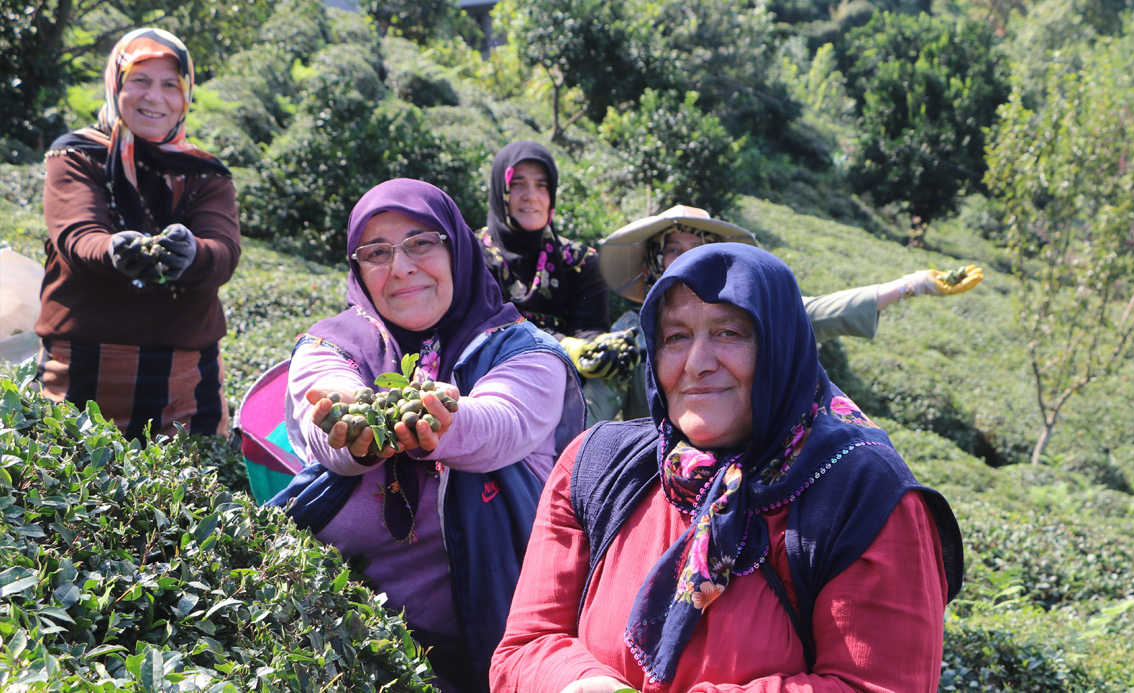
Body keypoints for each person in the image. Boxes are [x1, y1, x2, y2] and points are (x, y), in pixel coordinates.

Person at [491, 243, 964, 692]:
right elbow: (525, 649)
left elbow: (876, 684)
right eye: (676, 336)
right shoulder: (595, 465)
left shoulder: (863, 493)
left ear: (780, 346)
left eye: (729, 333)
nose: (697, 364)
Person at [273, 179, 585, 693]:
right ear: (358, 270)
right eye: (377, 252)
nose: (400, 267)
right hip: (339, 637)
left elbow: (501, 422)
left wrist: (441, 423)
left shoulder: (526, 351)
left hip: (488, 639)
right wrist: (353, 428)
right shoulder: (330, 343)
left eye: (421, 243)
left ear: (457, 247)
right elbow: (325, 407)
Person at [34, 28, 240, 440]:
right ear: (116, 84)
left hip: (183, 378)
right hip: (80, 365)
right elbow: (76, 232)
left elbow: (223, 249)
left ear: (186, 96)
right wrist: (113, 251)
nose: (154, 97)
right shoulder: (75, 154)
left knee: (189, 492)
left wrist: (192, 254)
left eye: (170, 85)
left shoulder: (204, 172)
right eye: (140, 81)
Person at [599, 205, 985, 420]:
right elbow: (596, 406)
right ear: (654, 261)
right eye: (673, 250)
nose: (685, 260)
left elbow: (819, 312)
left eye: (697, 248)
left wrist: (911, 284)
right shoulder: (630, 333)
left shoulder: (748, 315)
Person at [477, 140, 637, 423]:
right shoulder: (472, 254)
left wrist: (599, 349)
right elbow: (485, 328)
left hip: (561, 391)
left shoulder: (579, 261)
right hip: (486, 389)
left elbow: (588, 328)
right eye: (518, 184)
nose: (530, 196)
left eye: (541, 185)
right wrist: (564, 344)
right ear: (500, 189)